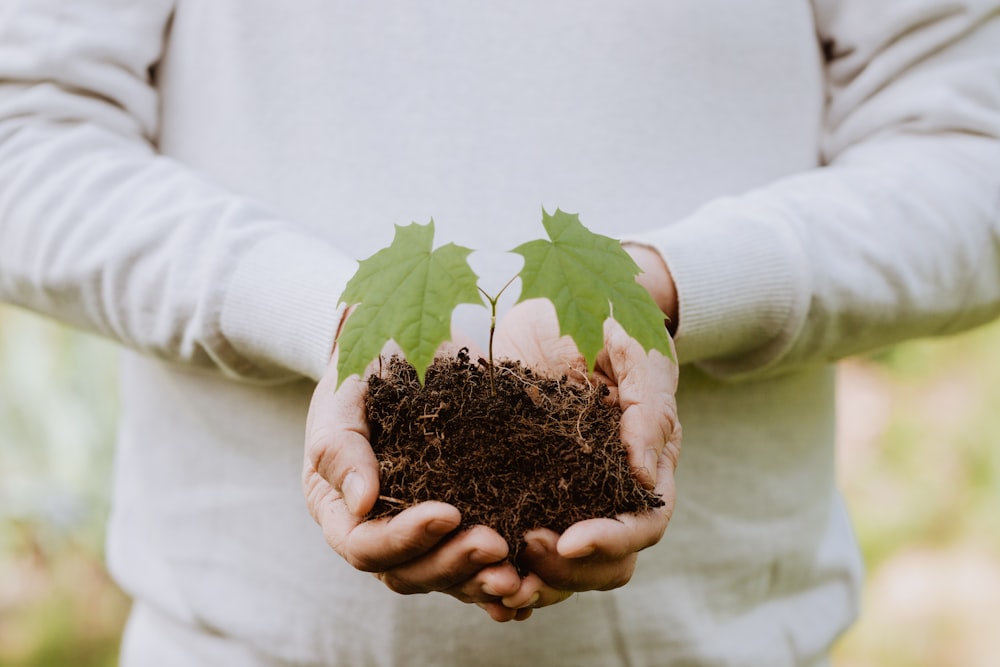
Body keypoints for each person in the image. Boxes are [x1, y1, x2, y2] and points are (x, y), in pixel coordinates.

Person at [1, 1, 998, 665]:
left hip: (730, 643)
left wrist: (672, 288)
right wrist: (324, 314)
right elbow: (26, 130)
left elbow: (967, 153)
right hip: (231, 643)